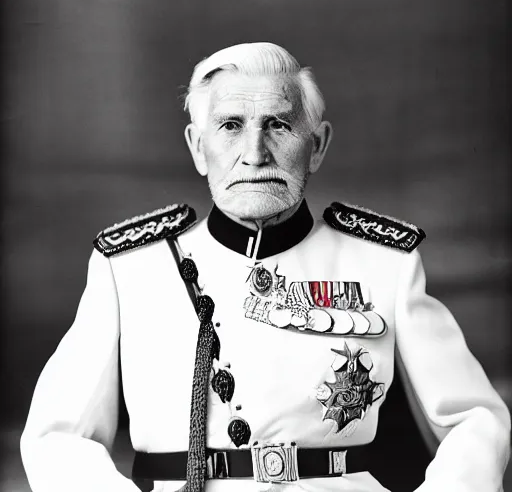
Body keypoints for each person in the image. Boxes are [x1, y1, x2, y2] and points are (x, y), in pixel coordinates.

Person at [21, 42, 510, 492]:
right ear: (197, 147)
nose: (254, 155)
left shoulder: (384, 263)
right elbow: (56, 437)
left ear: (316, 145)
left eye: (278, 125)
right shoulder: (130, 269)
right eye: (231, 126)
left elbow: (477, 419)